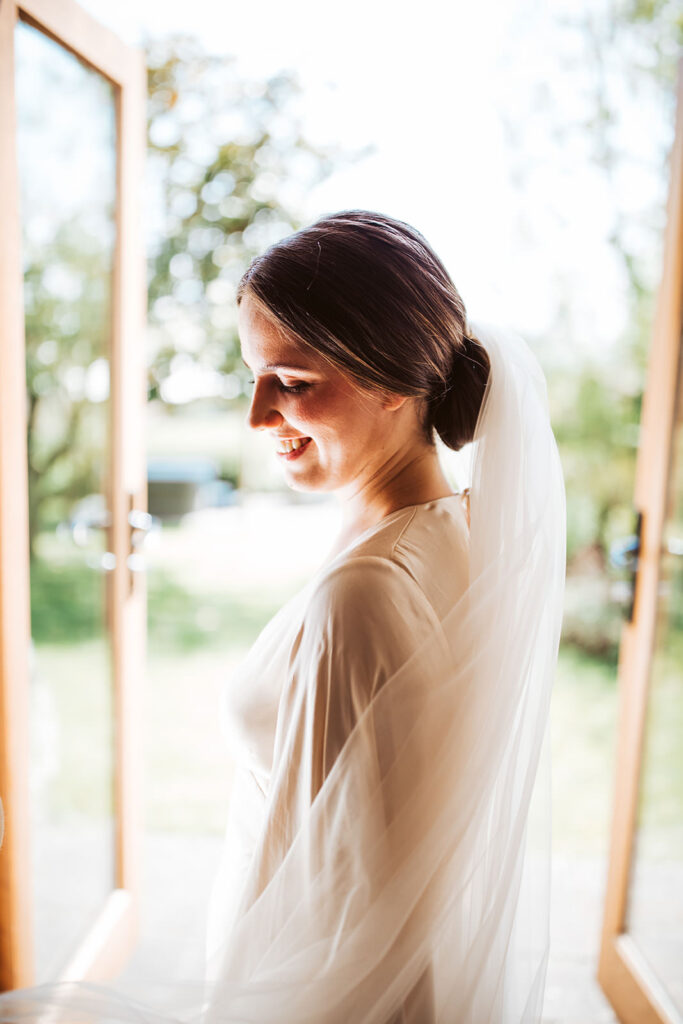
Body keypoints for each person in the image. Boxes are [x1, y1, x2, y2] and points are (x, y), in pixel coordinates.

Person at [0, 210, 566, 1023]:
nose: (258, 416)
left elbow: (332, 899)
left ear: (396, 383)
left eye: (293, 383)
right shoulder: (463, 529)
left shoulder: (365, 593)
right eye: (252, 376)